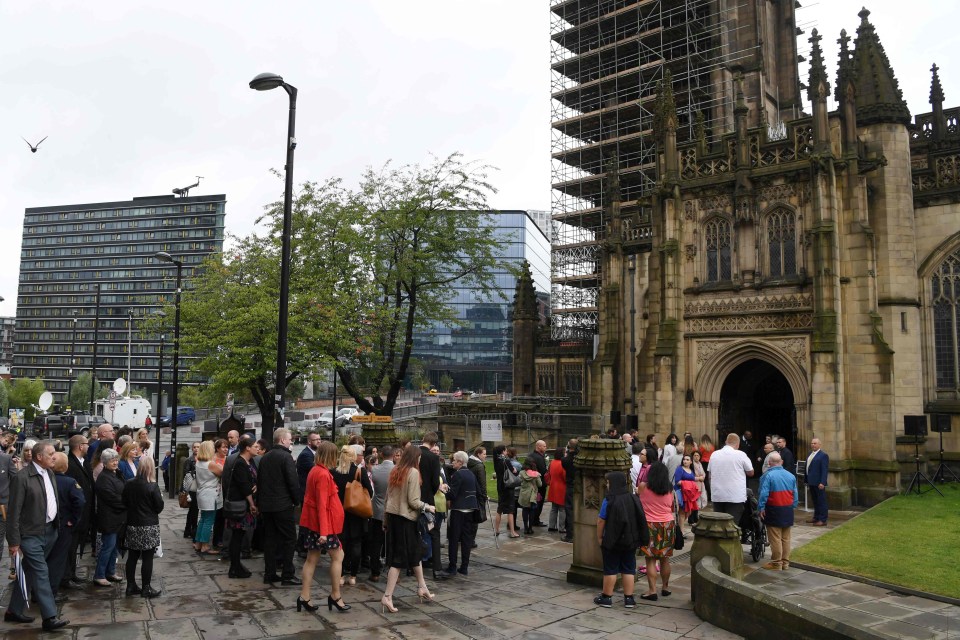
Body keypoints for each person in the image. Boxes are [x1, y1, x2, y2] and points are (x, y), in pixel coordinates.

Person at [3, 440, 70, 631]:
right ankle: (49, 617)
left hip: (50, 531)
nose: (54, 457)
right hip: (30, 535)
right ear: (39, 456)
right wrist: (14, 541)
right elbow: (14, 512)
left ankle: (13, 611)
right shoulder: (22, 477)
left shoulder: (49, 473)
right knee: (41, 573)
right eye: (51, 454)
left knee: (29, 571)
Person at [381, 445, 437, 613]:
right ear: (415, 458)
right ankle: (387, 596)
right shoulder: (413, 472)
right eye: (419, 457)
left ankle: (422, 587)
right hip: (406, 520)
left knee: (415, 553)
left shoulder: (396, 469)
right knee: (399, 560)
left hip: (394, 518)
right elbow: (413, 501)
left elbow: (387, 497)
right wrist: (428, 507)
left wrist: (385, 520)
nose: (420, 460)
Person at [298, 440, 349, 613]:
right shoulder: (323, 474)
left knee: (311, 559)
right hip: (324, 526)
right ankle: (335, 596)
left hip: (316, 525)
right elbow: (321, 504)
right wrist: (325, 532)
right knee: (338, 557)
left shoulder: (315, 470)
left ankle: (304, 597)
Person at [594, 471, 648, 608]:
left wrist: (600, 537)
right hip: (630, 539)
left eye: (608, 482)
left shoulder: (609, 500)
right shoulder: (633, 498)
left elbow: (601, 520)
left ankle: (606, 597)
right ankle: (629, 599)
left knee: (610, 569)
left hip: (612, 540)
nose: (606, 485)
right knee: (628, 568)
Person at [258, 428, 301, 585]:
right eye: (290, 439)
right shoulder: (286, 457)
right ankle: (287, 574)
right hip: (282, 505)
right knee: (289, 539)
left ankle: (269, 573)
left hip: (266, 506)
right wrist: (297, 500)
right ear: (282, 440)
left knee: (270, 539)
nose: (291, 442)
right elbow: (292, 482)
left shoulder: (265, 457)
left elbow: (260, 481)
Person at [121, 455, 164, 597]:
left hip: (132, 524)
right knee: (147, 557)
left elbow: (124, 501)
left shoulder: (129, 483)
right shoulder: (152, 486)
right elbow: (159, 507)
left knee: (132, 556)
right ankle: (146, 587)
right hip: (148, 525)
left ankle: (130, 585)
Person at [331, 444, 372, 586]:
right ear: (353, 457)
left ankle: (341, 575)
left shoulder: (333, 472)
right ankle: (353, 576)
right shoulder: (359, 472)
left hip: (339, 513)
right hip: (356, 513)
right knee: (356, 544)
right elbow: (369, 493)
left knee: (341, 544)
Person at [48, 452, 84, 600]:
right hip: (64, 525)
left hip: (48, 524)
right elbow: (80, 502)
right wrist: (74, 520)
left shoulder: (47, 480)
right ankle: (52, 592)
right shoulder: (70, 482)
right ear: (66, 466)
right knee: (57, 560)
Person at [638, 461, 675, 602]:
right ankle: (665, 587)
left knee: (650, 560)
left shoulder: (643, 487)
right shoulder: (669, 488)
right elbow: (671, 506)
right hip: (667, 524)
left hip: (649, 525)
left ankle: (652, 590)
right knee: (665, 559)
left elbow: (639, 502)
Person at [221, 436, 258, 578]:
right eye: (255, 446)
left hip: (244, 505)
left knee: (239, 535)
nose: (257, 448)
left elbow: (253, 480)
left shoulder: (250, 461)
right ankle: (235, 567)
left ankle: (236, 566)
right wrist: (252, 504)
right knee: (237, 536)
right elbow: (244, 487)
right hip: (240, 505)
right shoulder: (240, 463)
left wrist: (256, 485)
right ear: (247, 448)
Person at [758, 452, 798, 570]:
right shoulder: (791, 476)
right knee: (786, 538)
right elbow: (795, 495)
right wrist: (792, 506)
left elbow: (763, 494)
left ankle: (776, 563)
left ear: (769, 463)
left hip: (773, 508)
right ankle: (785, 563)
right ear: (781, 462)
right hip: (787, 509)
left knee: (775, 537)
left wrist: (761, 508)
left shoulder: (767, 476)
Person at [93, 447, 126, 587]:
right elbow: (112, 498)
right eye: (112, 460)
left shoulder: (115, 473)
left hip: (117, 518)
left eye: (116, 459)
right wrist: (126, 502)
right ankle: (99, 575)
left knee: (114, 547)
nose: (115, 462)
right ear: (105, 463)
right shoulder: (104, 478)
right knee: (108, 546)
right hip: (109, 518)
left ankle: (110, 572)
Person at [445, 451, 479, 576]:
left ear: (460, 462)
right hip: (470, 510)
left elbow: (453, 495)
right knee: (466, 540)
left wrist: (444, 490)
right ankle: (464, 567)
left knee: (454, 539)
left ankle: (452, 566)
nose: (452, 462)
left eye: (454, 460)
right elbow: (478, 491)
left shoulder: (458, 475)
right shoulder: (471, 473)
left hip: (458, 510)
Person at [64, 434, 92, 588]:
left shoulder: (84, 462)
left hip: (84, 514)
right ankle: (66, 577)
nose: (88, 446)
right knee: (70, 547)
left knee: (75, 547)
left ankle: (72, 573)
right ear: (80, 446)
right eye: (86, 444)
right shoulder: (70, 464)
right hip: (74, 516)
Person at [708, 433, 755, 525]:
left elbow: (710, 474)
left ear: (726, 442)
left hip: (718, 494)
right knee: (732, 525)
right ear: (738, 444)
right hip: (735, 495)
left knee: (719, 524)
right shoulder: (740, 454)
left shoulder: (714, 454)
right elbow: (751, 472)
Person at [417, 432, 446, 581]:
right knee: (434, 533)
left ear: (423, 440)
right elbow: (436, 483)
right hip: (427, 500)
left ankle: (411, 566)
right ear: (434, 444)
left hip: (411, 497)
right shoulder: (433, 458)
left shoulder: (412, 453)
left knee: (413, 531)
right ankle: (437, 569)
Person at [369, 445, 399, 582]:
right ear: (393, 455)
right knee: (392, 543)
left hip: (377, 510)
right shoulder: (397, 470)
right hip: (392, 510)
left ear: (381, 455)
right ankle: (392, 572)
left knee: (376, 543)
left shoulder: (375, 469)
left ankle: (375, 572)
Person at [193, 441, 220, 556]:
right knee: (209, 520)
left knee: (203, 519)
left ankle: (198, 543)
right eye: (213, 448)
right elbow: (223, 472)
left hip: (201, 493)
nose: (214, 449)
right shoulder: (210, 464)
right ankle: (204, 545)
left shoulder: (199, 462)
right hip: (210, 494)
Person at [673, 454, 701, 536]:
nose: (685, 461)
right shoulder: (679, 469)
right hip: (681, 492)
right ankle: (681, 532)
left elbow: (692, 479)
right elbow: (677, 481)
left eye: (687, 459)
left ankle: (678, 527)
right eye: (684, 459)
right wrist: (691, 484)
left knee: (688, 512)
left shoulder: (691, 470)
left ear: (691, 462)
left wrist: (697, 480)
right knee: (682, 512)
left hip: (689, 494)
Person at [806, 438, 829, 526]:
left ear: (819, 444)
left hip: (819, 483)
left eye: (815, 443)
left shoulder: (823, 455)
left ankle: (823, 520)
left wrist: (822, 482)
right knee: (815, 501)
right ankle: (816, 517)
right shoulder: (810, 454)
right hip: (811, 482)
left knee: (821, 501)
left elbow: (824, 470)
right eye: (812, 443)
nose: (813, 445)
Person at [518, 458, 542, 535]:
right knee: (532, 511)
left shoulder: (522, 472)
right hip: (532, 495)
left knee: (525, 510)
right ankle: (530, 528)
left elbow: (519, 481)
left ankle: (525, 528)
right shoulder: (536, 474)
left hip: (524, 494)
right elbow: (540, 484)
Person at [526, 440, 548, 526]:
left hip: (531, 483)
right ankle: (535, 520)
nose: (546, 448)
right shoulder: (539, 458)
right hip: (539, 485)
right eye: (544, 446)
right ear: (539, 447)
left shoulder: (530, 455)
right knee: (539, 502)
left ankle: (532, 519)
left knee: (532, 502)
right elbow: (543, 471)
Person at [560, 439, 578, 543]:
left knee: (570, 510)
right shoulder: (580, 457)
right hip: (579, 485)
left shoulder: (565, 460)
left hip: (570, 486)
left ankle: (570, 535)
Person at [547, 446, 567, 534]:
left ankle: (551, 526)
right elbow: (565, 477)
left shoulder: (552, 462)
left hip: (552, 486)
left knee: (554, 508)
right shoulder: (562, 463)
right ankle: (561, 528)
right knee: (562, 509)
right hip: (561, 487)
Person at [182, 442, 200, 540]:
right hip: (192, 488)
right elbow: (186, 475)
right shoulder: (189, 460)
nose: (196, 449)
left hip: (199, 487)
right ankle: (193, 530)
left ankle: (188, 530)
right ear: (192, 449)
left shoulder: (202, 459)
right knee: (194, 510)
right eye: (194, 447)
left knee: (193, 510)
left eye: (198, 447)